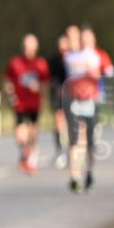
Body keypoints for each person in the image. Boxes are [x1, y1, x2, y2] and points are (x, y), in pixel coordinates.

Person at [62, 26, 102, 193]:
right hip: (74, 102)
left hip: (91, 102)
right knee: (76, 140)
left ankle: (89, 171)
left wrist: (91, 73)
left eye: (88, 39)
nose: (85, 42)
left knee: (90, 143)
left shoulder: (96, 56)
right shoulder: (70, 56)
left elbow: (100, 76)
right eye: (82, 39)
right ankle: (75, 176)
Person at [5, 34, 49, 174]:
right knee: (20, 134)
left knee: (33, 133)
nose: (27, 49)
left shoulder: (41, 64)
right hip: (20, 103)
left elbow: (47, 84)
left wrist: (39, 87)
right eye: (25, 46)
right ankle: (25, 154)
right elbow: (7, 80)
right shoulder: (15, 63)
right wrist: (10, 93)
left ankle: (32, 159)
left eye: (30, 47)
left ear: (36, 48)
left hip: (34, 103)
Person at [47, 33, 71, 168]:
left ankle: (72, 150)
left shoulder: (73, 59)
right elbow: (49, 78)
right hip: (58, 95)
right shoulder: (53, 61)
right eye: (60, 45)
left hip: (73, 95)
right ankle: (60, 150)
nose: (62, 48)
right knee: (58, 121)